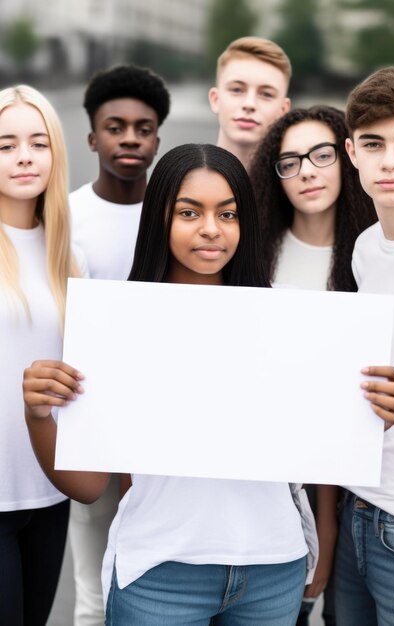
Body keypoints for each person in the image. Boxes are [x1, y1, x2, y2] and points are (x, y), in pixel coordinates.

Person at [23, 145, 394, 626]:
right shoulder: (117, 325)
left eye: (228, 213)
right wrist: (38, 416)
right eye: (189, 212)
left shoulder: (292, 318)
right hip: (160, 571)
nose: (211, 228)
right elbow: (86, 486)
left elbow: (332, 444)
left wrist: (381, 410)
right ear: (159, 218)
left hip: (273, 569)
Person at [249, 105, 393, 626]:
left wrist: (326, 528)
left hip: (354, 478)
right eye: (289, 162)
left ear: (346, 157)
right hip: (263, 468)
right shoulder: (253, 254)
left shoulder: (374, 253)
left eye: (321, 155)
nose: (307, 170)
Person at [69, 64, 170, 626]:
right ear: (92, 138)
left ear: (157, 138)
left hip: (159, 427)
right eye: (115, 126)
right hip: (90, 423)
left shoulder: (174, 213)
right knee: (93, 590)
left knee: (150, 584)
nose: (130, 137)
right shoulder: (67, 215)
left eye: (143, 127)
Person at [331, 65, 394, 626]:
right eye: (374, 144)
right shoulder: (365, 247)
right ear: (351, 153)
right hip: (358, 506)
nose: (390, 160)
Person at [0, 85, 84, 625]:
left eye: (38, 142)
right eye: (5, 144)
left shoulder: (65, 254)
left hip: (49, 491)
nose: (25, 156)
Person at [209, 36, 291, 170]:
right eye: (236, 90)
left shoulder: (295, 187)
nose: (249, 104)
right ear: (215, 99)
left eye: (266, 94)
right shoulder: (178, 186)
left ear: (283, 110)